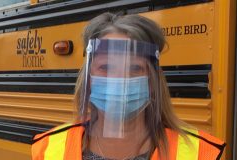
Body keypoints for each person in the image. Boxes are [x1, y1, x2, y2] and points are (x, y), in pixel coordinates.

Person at [31, 12, 225, 160]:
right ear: (88, 78)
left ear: (153, 81)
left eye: (134, 68)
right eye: (105, 67)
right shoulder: (48, 149)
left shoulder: (200, 153)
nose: (119, 80)